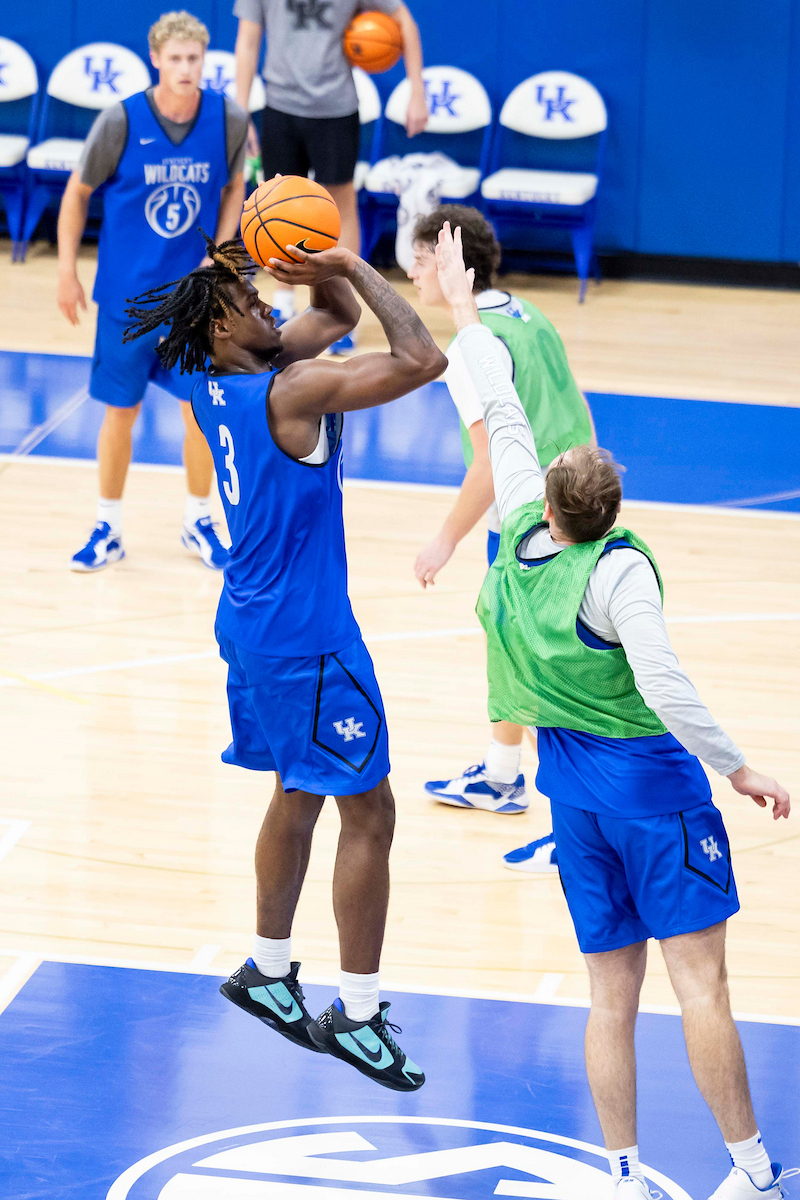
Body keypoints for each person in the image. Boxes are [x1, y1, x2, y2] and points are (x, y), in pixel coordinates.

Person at [434, 221, 791, 1199]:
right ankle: (751, 1171)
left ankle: (623, 1174)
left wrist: (461, 308)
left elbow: (500, 405)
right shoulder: (618, 572)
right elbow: (666, 686)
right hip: (654, 798)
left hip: (573, 803)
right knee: (701, 987)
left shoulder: (517, 534)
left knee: (609, 999)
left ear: (549, 503)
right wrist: (739, 768)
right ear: (610, 512)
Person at [125, 231, 445, 1090]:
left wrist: (312, 271)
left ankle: (268, 972)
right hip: (309, 643)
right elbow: (422, 360)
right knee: (370, 815)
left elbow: (328, 319)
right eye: (248, 302)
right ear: (222, 330)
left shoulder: (209, 380)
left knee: (298, 791)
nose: (267, 305)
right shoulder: (294, 388)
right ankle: (360, 1016)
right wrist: (353, 265)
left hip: (250, 625)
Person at [408, 205, 594, 874]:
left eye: (421, 260)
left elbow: (489, 463)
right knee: (518, 653)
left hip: (531, 523)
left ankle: (578, 834)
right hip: (575, 505)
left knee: (545, 675)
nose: (412, 272)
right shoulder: (527, 313)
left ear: (452, 267)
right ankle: (501, 774)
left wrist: (445, 539)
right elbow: (579, 406)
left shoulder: (470, 348)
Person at [58, 11, 248, 573]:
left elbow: (236, 185)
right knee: (121, 412)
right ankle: (108, 527)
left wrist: (223, 250)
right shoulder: (120, 121)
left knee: (199, 411)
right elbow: (76, 194)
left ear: (204, 60)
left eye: (195, 59)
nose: (186, 68)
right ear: (156, 60)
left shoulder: (228, 119)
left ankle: (198, 520)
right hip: (127, 298)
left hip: (193, 300)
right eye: (176, 59)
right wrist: (67, 271)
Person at [233, 0, 427, 351]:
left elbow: (405, 21)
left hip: (336, 107)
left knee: (341, 204)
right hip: (280, 106)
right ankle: (283, 303)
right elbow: (248, 40)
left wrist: (418, 91)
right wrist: (241, 112)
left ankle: (344, 308)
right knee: (275, 207)